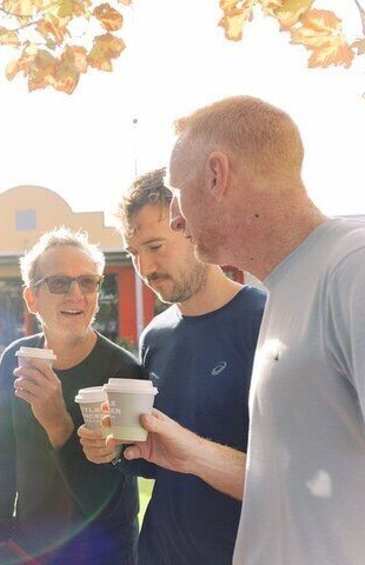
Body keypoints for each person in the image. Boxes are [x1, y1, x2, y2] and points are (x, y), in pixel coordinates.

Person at [161, 95, 365, 563]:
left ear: (216, 176)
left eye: (176, 190)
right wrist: (190, 453)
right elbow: (301, 487)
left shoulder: (352, 267)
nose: (175, 217)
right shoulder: (287, 288)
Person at [77, 168, 266, 564]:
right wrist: (114, 449)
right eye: (133, 254)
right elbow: (160, 463)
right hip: (159, 552)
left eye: (156, 246)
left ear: (196, 228)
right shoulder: (155, 336)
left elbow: (292, 481)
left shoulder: (266, 322)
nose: (145, 268)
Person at [0, 227, 142, 565]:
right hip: (29, 548)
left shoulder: (124, 372)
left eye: (88, 282)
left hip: (104, 551)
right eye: (59, 283)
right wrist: (0, 535)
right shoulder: (15, 358)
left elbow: (113, 496)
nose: (76, 294)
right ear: (31, 298)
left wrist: (58, 422)